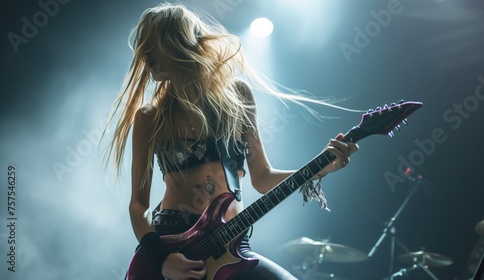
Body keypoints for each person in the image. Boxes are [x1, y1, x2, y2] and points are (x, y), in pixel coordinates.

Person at [104, 2, 358, 280]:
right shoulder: (149, 116)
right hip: (171, 243)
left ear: (176, 45)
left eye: (153, 45)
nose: (147, 56)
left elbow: (262, 177)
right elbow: (138, 206)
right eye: (144, 48)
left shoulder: (238, 96)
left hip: (228, 244)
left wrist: (321, 168)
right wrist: (162, 258)